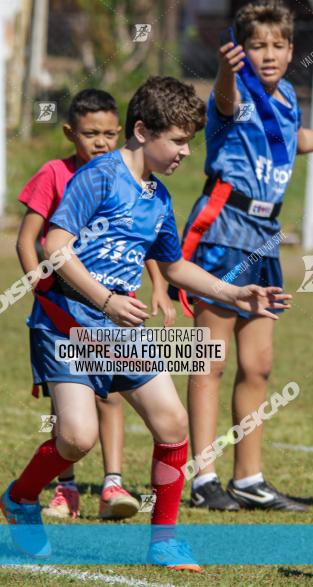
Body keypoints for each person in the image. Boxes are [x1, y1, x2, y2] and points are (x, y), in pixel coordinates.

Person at [0, 75, 290, 572]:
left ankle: (165, 541)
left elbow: (174, 266)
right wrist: (104, 298)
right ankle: (21, 498)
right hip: (67, 325)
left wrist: (233, 290)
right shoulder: (99, 176)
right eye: (177, 140)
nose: (184, 153)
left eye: (189, 142)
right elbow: (54, 246)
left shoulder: (158, 197)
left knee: (172, 422)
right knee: (76, 439)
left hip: (120, 330)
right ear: (141, 131)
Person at [176, 0, 313, 512]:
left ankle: (249, 478)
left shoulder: (286, 96)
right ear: (241, 50)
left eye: (277, 45)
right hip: (223, 230)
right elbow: (223, 99)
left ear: (290, 50)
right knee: (210, 361)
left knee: (258, 365)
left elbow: (292, 140)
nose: (268, 54)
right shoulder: (233, 93)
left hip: (265, 235)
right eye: (257, 45)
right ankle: (204, 477)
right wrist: (224, 70)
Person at [15, 88, 176, 522]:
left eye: (109, 133)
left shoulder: (147, 189)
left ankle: (113, 483)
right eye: (91, 133)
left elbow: (149, 248)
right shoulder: (64, 175)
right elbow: (39, 241)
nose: (102, 141)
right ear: (71, 133)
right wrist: (42, 290)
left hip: (116, 319)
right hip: (66, 316)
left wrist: (160, 285)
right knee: (75, 431)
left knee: (135, 409)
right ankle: (58, 487)